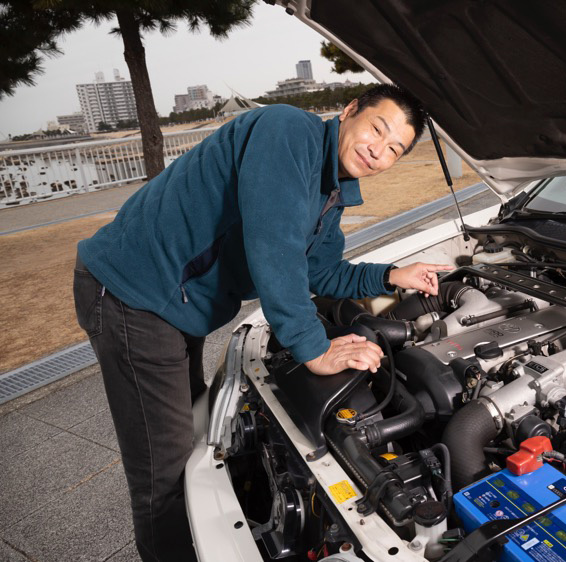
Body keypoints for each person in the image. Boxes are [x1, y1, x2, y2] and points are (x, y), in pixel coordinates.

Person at [73, 84, 449, 561]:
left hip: (175, 303)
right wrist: (314, 348)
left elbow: (320, 271)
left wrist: (392, 275)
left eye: (394, 149)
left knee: (192, 433)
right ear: (350, 110)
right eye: (377, 129)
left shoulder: (330, 189)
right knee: (163, 474)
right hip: (134, 294)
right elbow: (275, 245)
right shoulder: (287, 130)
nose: (379, 151)